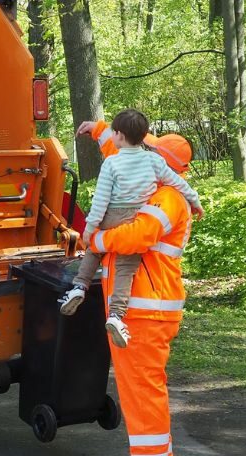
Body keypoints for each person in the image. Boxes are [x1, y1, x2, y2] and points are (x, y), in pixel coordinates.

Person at [80, 119, 195, 456]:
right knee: (146, 393)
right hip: (146, 310)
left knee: (142, 396)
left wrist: (96, 237)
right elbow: (122, 151)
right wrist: (99, 130)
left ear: (161, 160)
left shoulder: (167, 200)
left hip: (147, 312)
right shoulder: (155, 187)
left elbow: (136, 237)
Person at [59, 109, 203, 350]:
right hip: (132, 223)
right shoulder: (154, 165)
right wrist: (196, 201)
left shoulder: (165, 198)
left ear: (120, 135)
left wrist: (92, 234)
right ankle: (116, 314)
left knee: (93, 254)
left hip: (148, 308)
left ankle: (78, 287)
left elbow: (122, 223)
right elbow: (127, 154)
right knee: (126, 268)